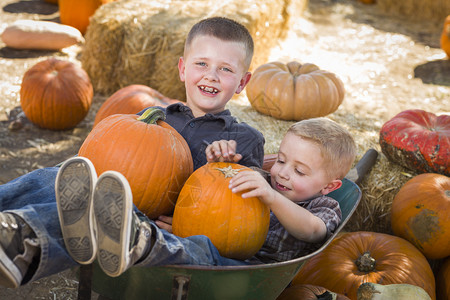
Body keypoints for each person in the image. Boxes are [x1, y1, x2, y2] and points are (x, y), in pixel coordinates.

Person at [0, 16, 264, 288]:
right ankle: (7, 224)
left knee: (101, 213)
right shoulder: (151, 118)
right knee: (61, 178)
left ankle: (23, 246)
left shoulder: (243, 140)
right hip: (115, 204)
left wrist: (228, 169)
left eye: (225, 69)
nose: (211, 75)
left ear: (243, 83)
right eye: (202, 63)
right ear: (183, 69)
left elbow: (248, 216)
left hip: (151, 232)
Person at [55, 116, 356, 278]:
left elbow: (313, 231)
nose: (283, 173)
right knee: (186, 240)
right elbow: (217, 203)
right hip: (212, 248)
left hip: (246, 273)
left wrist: (270, 197)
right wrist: (220, 161)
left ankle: (135, 242)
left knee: (201, 251)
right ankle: (114, 227)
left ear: (329, 186)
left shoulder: (323, 206)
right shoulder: (265, 181)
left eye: (299, 171)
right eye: (281, 160)